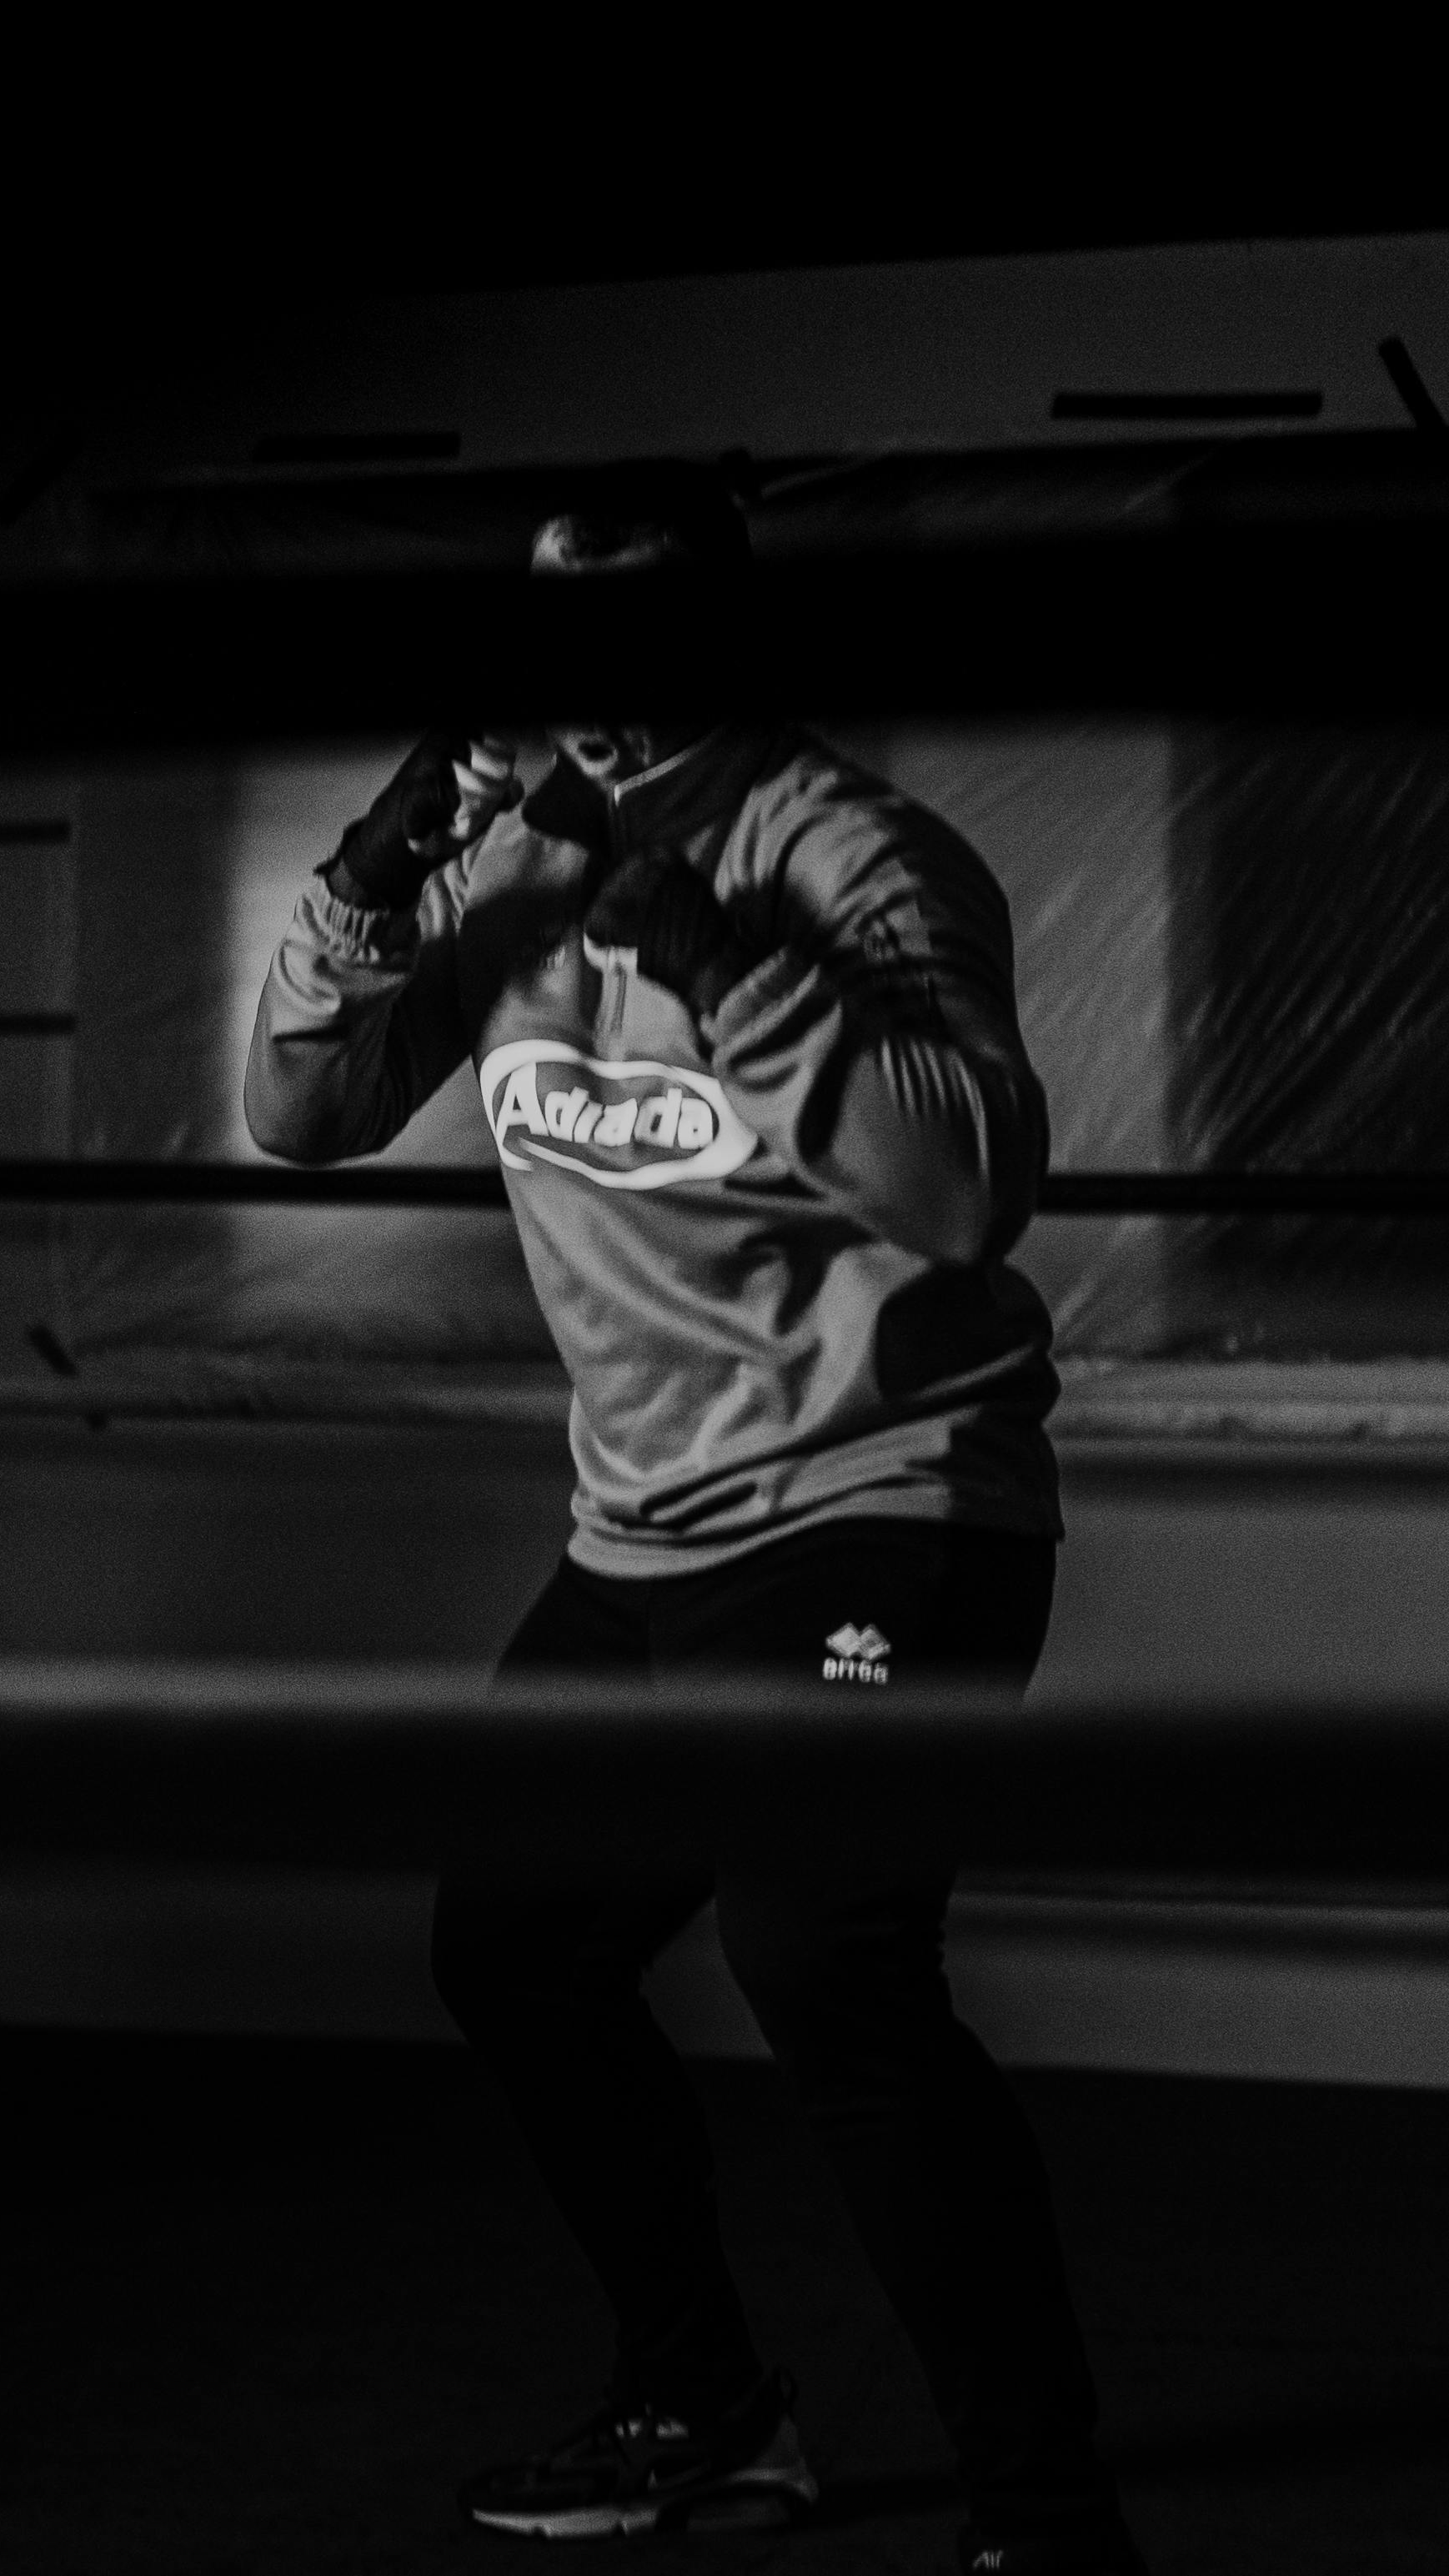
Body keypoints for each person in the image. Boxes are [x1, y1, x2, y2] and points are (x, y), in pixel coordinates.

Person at [242, 470, 1144, 2576]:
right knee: (517, 1950)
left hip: (884, 1501)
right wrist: (381, 865)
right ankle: (710, 2406)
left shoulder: (856, 858)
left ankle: (1046, 2515)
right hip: (644, 1532)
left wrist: (719, 952)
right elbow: (295, 1115)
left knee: (823, 1958)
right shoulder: (513, 855)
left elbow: (963, 1190)